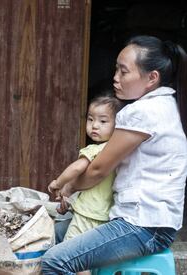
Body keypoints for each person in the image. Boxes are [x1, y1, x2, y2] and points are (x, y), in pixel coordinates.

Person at [42, 35, 187, 274]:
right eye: (116, 70)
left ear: (152, 78)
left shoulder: (142, 111)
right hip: (155, 224)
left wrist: (68, 188)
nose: (115, 78)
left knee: (55, 261)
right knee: (57, 231)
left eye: (123, 72)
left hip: (143, 227)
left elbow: (99, 169)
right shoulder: (166, 104)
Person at [49, 93, 123, 275]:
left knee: (74, 259)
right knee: (86, 257)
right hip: (105, 215)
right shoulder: (116, 151)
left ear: (118, 125)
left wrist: (58, 182)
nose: (95, 125)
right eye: (91, 119)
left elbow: (76, 168)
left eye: (103, 121)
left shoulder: (96, 149)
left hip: (88, 215)